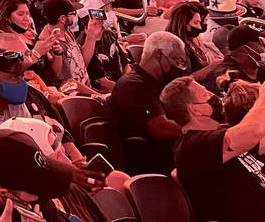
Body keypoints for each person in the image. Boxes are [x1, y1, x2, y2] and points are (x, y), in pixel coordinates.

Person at [165, 78, 265, 222]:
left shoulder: (219, 131)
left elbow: (260, 141)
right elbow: (253, 132)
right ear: (195, 109)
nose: (213, 96)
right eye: (205, 94)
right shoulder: (194, 146)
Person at [108, 30, 188, 175]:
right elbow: (159, 128)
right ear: (158, 55)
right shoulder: (133, 85)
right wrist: (199, 129)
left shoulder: (158, 82)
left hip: (172, 156)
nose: (180, 68)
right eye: (177, 61)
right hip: (152, 164)